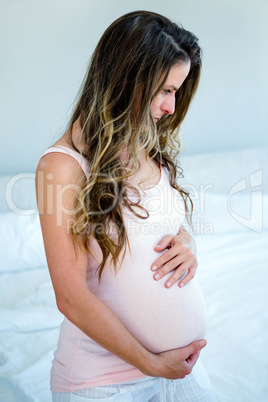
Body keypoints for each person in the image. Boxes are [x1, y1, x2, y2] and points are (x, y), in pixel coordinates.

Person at [35, 10, 217, 402]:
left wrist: (188, 243)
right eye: (165, 90)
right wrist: (151, 364)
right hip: (103, 381)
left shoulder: (145, 142)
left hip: (178, 371)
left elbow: (162, 223)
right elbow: (69, 296)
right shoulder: (62, 167)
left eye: (176, 92)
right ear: (126, 78)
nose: (171, 107)